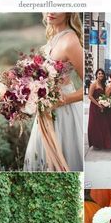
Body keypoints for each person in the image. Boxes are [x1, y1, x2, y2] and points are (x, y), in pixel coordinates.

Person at [24, 13, 84, 172]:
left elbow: (89, 86)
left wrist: (63, 100)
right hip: (45, 111)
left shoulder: (70, 41)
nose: (51, 11)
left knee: (61, 156)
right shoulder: (53, 38)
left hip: (63, 112)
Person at [88, 69, 111, 150]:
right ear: (96, 75)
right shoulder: (93, 83)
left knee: (102, 124)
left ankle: (103, 143)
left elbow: (104, 96)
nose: (101, 75)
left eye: (102, 74)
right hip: (95, 106)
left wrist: (104, 103)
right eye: (99, 73)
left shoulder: (102, 84)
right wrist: (98, 104)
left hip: (102, 106)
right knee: (95, 125)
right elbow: (90, 96)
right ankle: (96, 143)